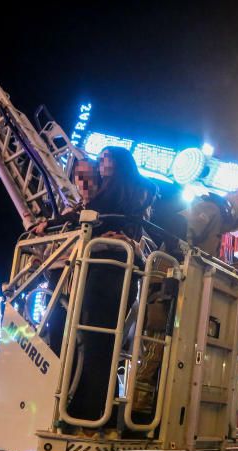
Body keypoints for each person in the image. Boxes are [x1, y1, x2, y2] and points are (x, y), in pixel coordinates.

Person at [67, 146, 154, 423]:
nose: (101, 162)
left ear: (119, 162)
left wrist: (53, 223)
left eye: (106, 157)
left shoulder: (119, 192)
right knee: (100, 343)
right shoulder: (130, 192)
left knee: (95, 341)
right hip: (115, 274)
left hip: (108, 271)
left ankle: (90, 410)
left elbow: (88, 214)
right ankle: (94, 407)